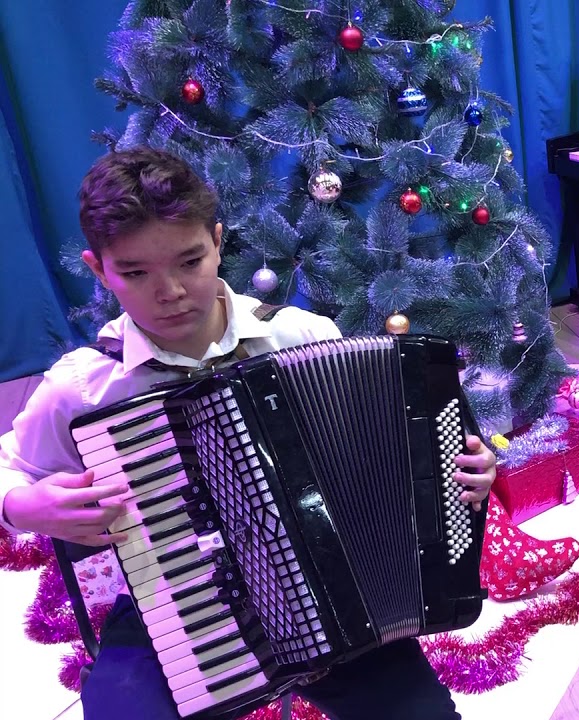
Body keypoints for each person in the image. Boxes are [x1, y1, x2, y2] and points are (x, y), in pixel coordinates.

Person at [0, 147, 495, 720]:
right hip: (176, 608)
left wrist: (466, 472)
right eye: (135, 273)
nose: (170, 291)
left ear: (217, 242)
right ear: (98, 269)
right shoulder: (84, 387)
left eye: (190, 261)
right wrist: (21, 505)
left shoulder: (302, 335)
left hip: (337, 596)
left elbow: (395, 457)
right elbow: (10, 468)